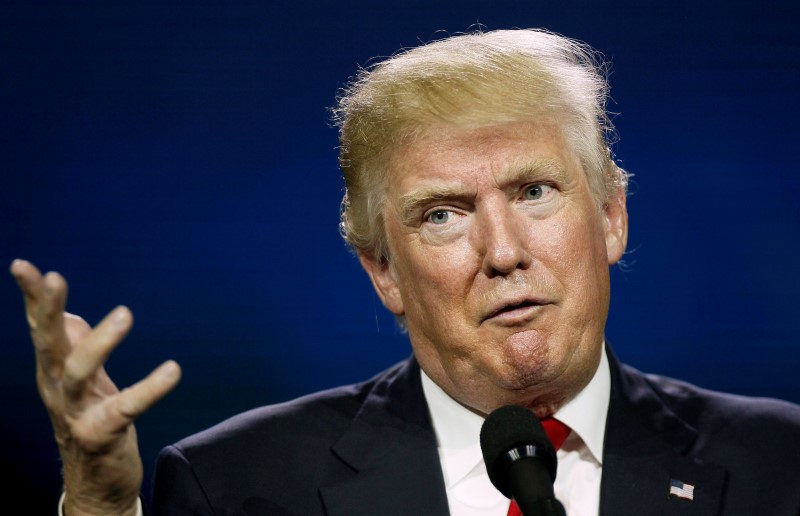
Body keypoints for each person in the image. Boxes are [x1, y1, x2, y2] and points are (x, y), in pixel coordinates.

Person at [11, 28, 800, 516]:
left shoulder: (781, 466)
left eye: (533, 192)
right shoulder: (238, 486)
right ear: (382, 271)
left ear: (612, 217)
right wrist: (98, 506)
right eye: (442, 214)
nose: (502, 251)